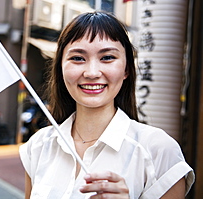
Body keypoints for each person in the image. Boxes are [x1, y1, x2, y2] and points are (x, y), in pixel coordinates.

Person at [19, 12, 195, 198]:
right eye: (78, 58)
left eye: (107, 57)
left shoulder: (158, 150)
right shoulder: (38, 146)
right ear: (61, 68)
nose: (92, 73)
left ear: (126, 69)